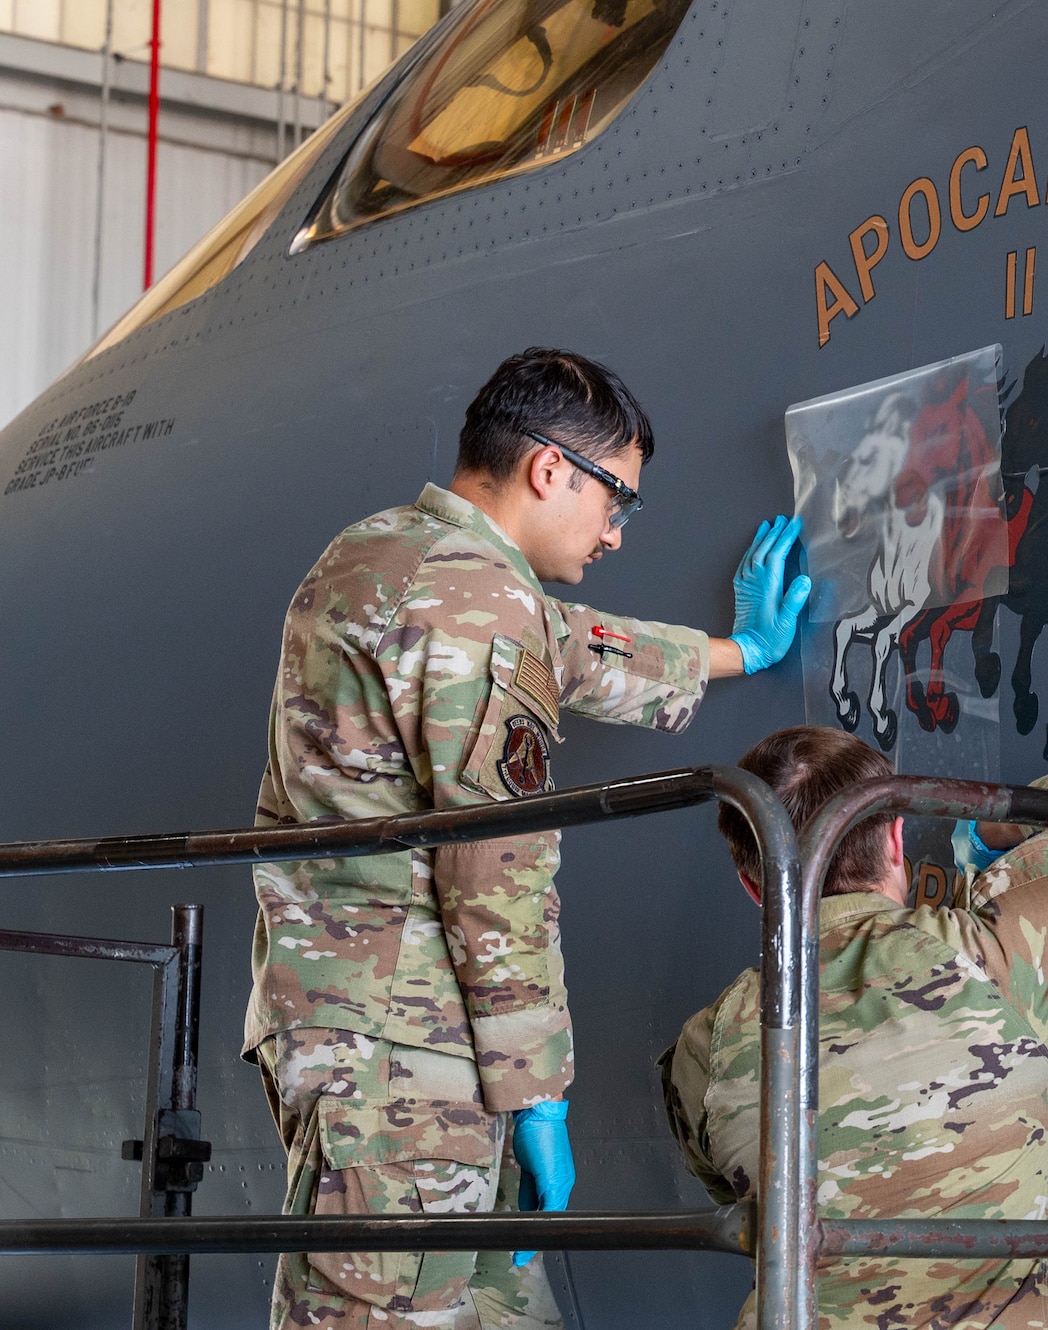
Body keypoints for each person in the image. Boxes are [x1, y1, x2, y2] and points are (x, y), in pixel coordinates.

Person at [244, 347, 811, 1329]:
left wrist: (738, 651)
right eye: (617, 499)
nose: (616, 532)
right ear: (551, 469)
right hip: (408, 1059)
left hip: (367, 1035)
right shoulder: (477, 598)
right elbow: (495, 866)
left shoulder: (382, 553)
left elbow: (565, 646)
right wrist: (539, 1086)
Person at [663, 725, 1048, 1328]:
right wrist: (985, 828)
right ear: (896, 839)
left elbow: (737, 1197)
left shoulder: (707, 1043)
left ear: (754, 888)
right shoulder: (990, 959)